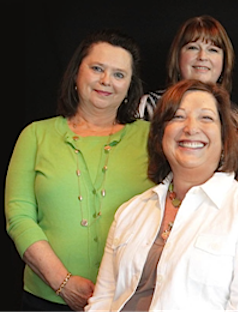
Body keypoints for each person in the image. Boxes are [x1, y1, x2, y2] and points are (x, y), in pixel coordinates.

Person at [86, 79, 238, 311]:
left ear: (225, 138)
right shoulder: (131, 211)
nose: (191, 128)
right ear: (161, 135)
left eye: (206, 118)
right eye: (178, 117)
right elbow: (101, 301)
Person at [5, 29, 154, 311]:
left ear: (129, 87)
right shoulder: (36, 135)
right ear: (76, 73)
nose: (106, 81)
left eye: (119, 74)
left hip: (130, 301)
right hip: (46, 300)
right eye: (97, 68)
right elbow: (19, 216)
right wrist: (62, 283)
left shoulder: (151, 139)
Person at [137, 15, 238, 190]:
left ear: (225, 60)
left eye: (213, 50)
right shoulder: (149, 106)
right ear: (177, 57)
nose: (202, 57)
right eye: (193, 47)